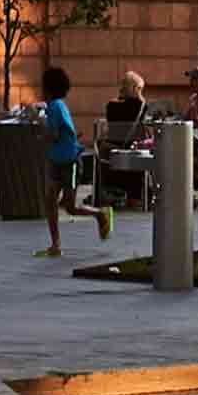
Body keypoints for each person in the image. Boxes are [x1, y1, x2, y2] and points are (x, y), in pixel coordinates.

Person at [36, 67, 111, 257]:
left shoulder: (55, 106)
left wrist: (38, 122)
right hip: (56, 160)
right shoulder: (54, 106)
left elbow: (53, 134)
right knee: (50, 200)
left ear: (49, 87)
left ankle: (100, 214)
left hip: (69, 161)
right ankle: (55, 245)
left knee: (69, 206)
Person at [99, 72, 149, 207]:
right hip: (131, 149)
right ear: (136, 88)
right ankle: (135, 196)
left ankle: (109, 193)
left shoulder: (111, 106)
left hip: (112, 147)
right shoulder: (142, 106)